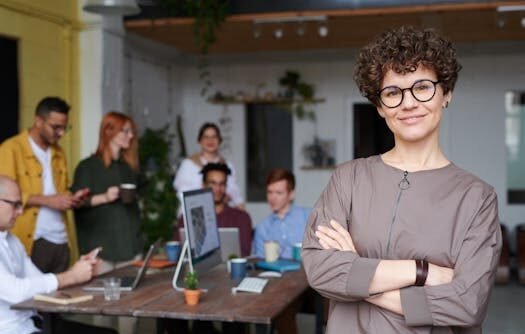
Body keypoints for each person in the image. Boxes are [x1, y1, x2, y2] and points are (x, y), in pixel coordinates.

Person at [302, 26, 502, 333]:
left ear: (446, 93)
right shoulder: (347, 180)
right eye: (393, 92)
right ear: (381, 107)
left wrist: (357, 274)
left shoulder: (476, 197)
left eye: (422, 87)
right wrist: (422, 272)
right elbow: (321, 271)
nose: (408, 103)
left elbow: (467, 304)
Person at [0, 175, 116, 334]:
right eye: (15, 205)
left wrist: (80, 271)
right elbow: (16, 292)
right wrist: (72, 276)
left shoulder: (13, 241)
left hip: (34, 324)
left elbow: (40, 283)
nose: (20, 211)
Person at [71, 111, 143, 334]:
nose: (130, 136)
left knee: (129, 312)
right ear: (109, 131)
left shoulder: (128, 168)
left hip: (130, 248)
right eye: (125, 130)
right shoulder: (87, 167)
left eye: (131, 131)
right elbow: (76, 203)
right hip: (101, 249)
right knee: (102, 313)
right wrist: (104, 197)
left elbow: (133, 209)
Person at [0, 97, 89, 273]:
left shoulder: (59, 152)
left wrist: (72, 199)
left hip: (62, 240)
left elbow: (60, 191)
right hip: (32, 240)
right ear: (38, 121)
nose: (61, 133)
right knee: (33, 298)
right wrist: (48, 201)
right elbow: (4, 195)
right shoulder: (11, 149)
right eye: (56, 127)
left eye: (65, 128)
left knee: (62, 295)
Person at [174, 122, 244, 209]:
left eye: (214, 137)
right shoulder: (188, 164)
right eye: (206, 137)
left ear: (220, 140)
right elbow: (182, 193)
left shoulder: (227, 166)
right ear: (199, 140)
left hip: (221, 214)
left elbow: (235, 194)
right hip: (194, 211)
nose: (210, 141)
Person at [253, 168, 310, 259]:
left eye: (279, 193)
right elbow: (259, 262)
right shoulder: (262, 228)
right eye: (270, 192)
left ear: (291, 194)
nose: (272, 198)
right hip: (274, 272)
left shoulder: (308, 217)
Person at [200, 162, 252, 257]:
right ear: (203, 186)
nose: (218, 189)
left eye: (222, 184)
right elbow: (177, 255)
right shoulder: (187, 219)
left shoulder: (241, 218)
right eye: (213, 183)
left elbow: (245, 254)